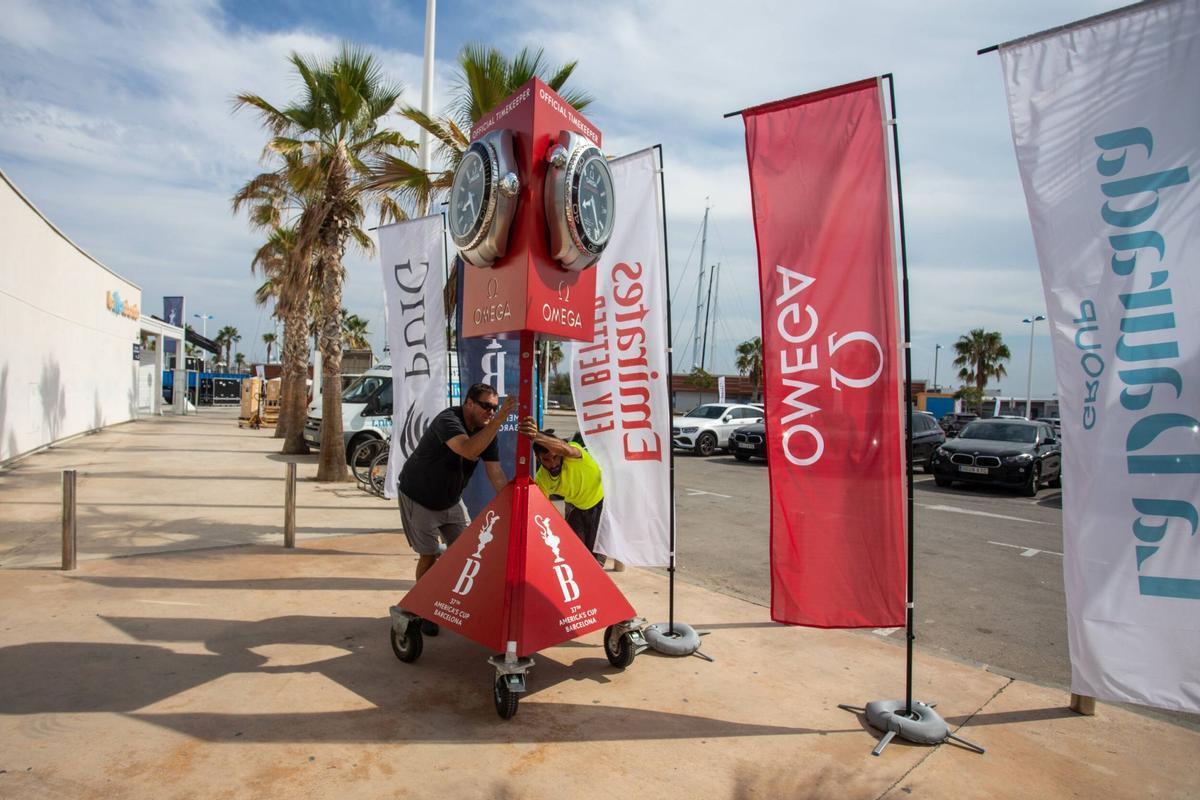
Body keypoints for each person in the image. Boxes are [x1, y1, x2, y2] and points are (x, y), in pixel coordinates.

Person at [397, 383, 515, 631]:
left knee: (467, 553)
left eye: (494, 408)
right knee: (429, 555)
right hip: (420, 498)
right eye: (486, 406)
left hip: (451, 500)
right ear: (469, 403)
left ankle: (452, 601)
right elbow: (468, 450)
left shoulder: (486, 432)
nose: (491, 412)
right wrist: (499, 420)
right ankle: (424, 607)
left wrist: (514, 503)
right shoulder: (448, 420)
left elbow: (496, 474)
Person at [518, 416, 606, 565]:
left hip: (599, 503)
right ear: (538, 459)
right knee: (574, 554)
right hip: (575, 507)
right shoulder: (542, 479)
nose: (552, 464)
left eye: (555, 457)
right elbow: (541, 511)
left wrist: (536, 435)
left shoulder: (573, 453)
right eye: (546, 460)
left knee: (596, 561)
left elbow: (565, 448)